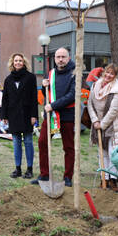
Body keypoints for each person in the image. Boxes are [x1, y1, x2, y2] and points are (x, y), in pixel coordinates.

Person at [32, 48, 76, 186]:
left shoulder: (75, 73)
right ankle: (44, 174)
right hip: (51, 115)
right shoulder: (51, 74)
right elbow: (48, 96)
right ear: (55, 59)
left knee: (68, 147)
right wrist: (45, 87)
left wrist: (53, 105)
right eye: (58, 57)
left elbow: (72, 95)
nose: (60, 59)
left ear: (68, 58)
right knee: (42, 142)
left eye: (63, 56)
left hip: (67, 115)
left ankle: (68, 177)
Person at [87, 63, 118, 192]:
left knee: (112, 154)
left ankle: (113, 180)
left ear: (115, 76)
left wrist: (102, 124)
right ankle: (103, 178)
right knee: (102, 154)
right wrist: (95, 121)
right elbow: (90, 104)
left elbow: (113, 111)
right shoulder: (95, 85)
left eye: (112, 74)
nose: (108, 75)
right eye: (107, 72)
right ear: (104, 72)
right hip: (98, 124)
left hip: (113, 125)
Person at [0, 53, 39, 179]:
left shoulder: (31, 77)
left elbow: (34, 98)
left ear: (24, 62)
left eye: (20, 60)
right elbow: (5, 99)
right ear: (12, 62)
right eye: (16, 60)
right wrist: (4, 115)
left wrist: (34, 115)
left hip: (27, 114)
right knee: (16, 142)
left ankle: (29, 169)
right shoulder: (8, 79)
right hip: (13, 115)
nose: (18, 63)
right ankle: (17, 169)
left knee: (28, 141)